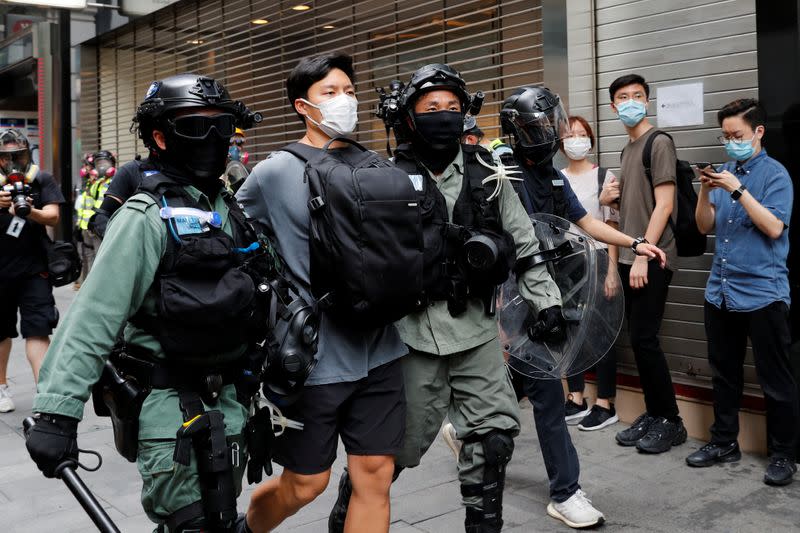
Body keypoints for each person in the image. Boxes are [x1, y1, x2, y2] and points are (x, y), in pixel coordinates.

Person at [25, 73, 265, 532]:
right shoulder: (144, 216)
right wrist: (57, 413)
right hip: (173, 415)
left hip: (231, 408)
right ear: (160, 136)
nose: (212, 139)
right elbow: (93, 318)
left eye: (223, 127)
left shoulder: (227, 208)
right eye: (196, 126)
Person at [236, 52, 408, 533]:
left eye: (350, 91)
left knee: (375, 476)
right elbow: (234, 229)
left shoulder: (377, 165)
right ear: (302, 106)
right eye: (330, 93)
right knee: (306, 484)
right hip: (316, 357)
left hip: (382, 349)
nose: (344, 101)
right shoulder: (275, 171)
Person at [500, 86, 666, 529]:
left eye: (552, 123)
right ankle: (565, 492)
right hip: (514, 298)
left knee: (529, 379)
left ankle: (467, 427)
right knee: (549, 395)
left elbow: (586, 222)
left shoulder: (552, 175)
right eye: (541, 125)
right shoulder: (499, 172)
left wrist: (636, 242)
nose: (552, 132)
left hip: (550, 296)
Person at [688, 98, 798, 485]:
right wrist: (705, 190)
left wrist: (737, 190)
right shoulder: (724, 172)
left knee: (776, 379)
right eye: (725, 135)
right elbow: (704, 228)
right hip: (721, 290)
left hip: (764, 293)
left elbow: (773, 228)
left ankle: (784, 454)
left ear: (758, 132)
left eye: (737, 135)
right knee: (725, 374)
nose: (730, 141)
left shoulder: (776, 176)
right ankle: (724, 442)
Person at [599, 73, 686, 454]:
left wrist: (640, 255)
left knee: (646, 339)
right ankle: (654, 413)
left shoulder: (659, 142)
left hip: (653, 255)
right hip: (636, 252)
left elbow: (665, 205)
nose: (631, 101)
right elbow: (637, 206)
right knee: (640, 340)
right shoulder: (627, 150)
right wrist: (610, 200)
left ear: (647, 102)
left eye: (638, 95)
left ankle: (672, 420)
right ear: (614, 106)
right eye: (623, 97)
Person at [560, 115, 621, 431]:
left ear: (591, 140)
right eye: (570, 134)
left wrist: (612, 270)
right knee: (571, 330)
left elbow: (611, 226)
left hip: (597, 258)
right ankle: (575, 397)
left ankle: (606, 403)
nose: (576, 139)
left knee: (602, 331)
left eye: (582, 134)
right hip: (566, 261)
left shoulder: (604, 178)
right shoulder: (556, 178)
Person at [0, 128, 63, 413]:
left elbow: (53, 217)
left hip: (34, 269)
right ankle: (1, 388)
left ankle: (45, 395)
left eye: (19, 155)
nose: (13, 162)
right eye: (6, 156)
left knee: (38, 330)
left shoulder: (41, 179)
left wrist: (27, 211)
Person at [75, 150, 116, 279]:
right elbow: (89, 202)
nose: (102, 167)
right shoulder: (96, 183)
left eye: (105, 163)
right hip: (91, 225)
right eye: (99, 164)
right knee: (89, 255)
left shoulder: (117, 180)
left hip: (104, 226)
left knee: (101, 257)